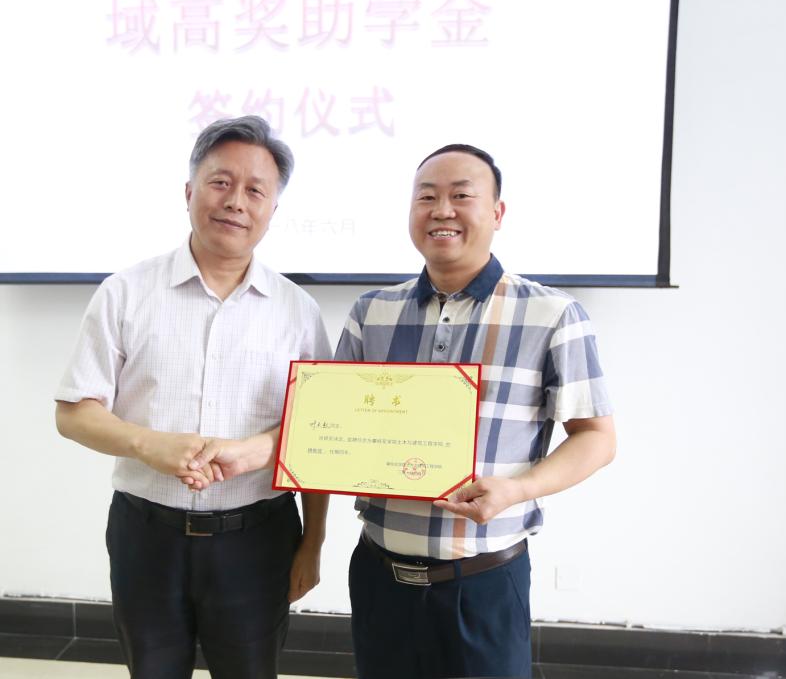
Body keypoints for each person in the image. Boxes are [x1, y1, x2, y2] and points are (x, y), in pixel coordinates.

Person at [54, 115, 331, 679]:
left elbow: (319, 434)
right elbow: (74, 413)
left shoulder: (298, 311)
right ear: (189, 192)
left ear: (272, 210)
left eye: (255, 190)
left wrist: (313, 543)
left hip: (257, 539)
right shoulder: (125, 292)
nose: (235, 201)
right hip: (145, 535)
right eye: (220, 182)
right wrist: (146, 444)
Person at [333, 144, 616, 679]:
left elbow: (597, 438)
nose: (442, 210)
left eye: (461, 196)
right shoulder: (371, 312)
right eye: (426, 197)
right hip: (379, 574)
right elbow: (335, 425)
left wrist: (516, 490)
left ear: (497, 212)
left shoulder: (553, 314)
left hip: (484, 582)